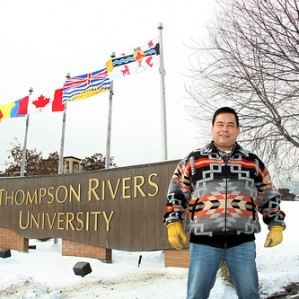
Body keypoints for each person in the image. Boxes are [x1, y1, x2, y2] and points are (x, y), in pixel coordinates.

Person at [163, 107, 286, 299]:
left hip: (242, 243)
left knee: (250, 294)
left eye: (230, 125)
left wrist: (276, 225)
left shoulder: (252, 162)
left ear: (238, 129)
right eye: (220, 124)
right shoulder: (194, 160)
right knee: (196, 294)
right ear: (212, 128)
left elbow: (268, 194)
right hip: (204, 243)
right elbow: (176, 193)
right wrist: (173, 222)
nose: (225, 129)